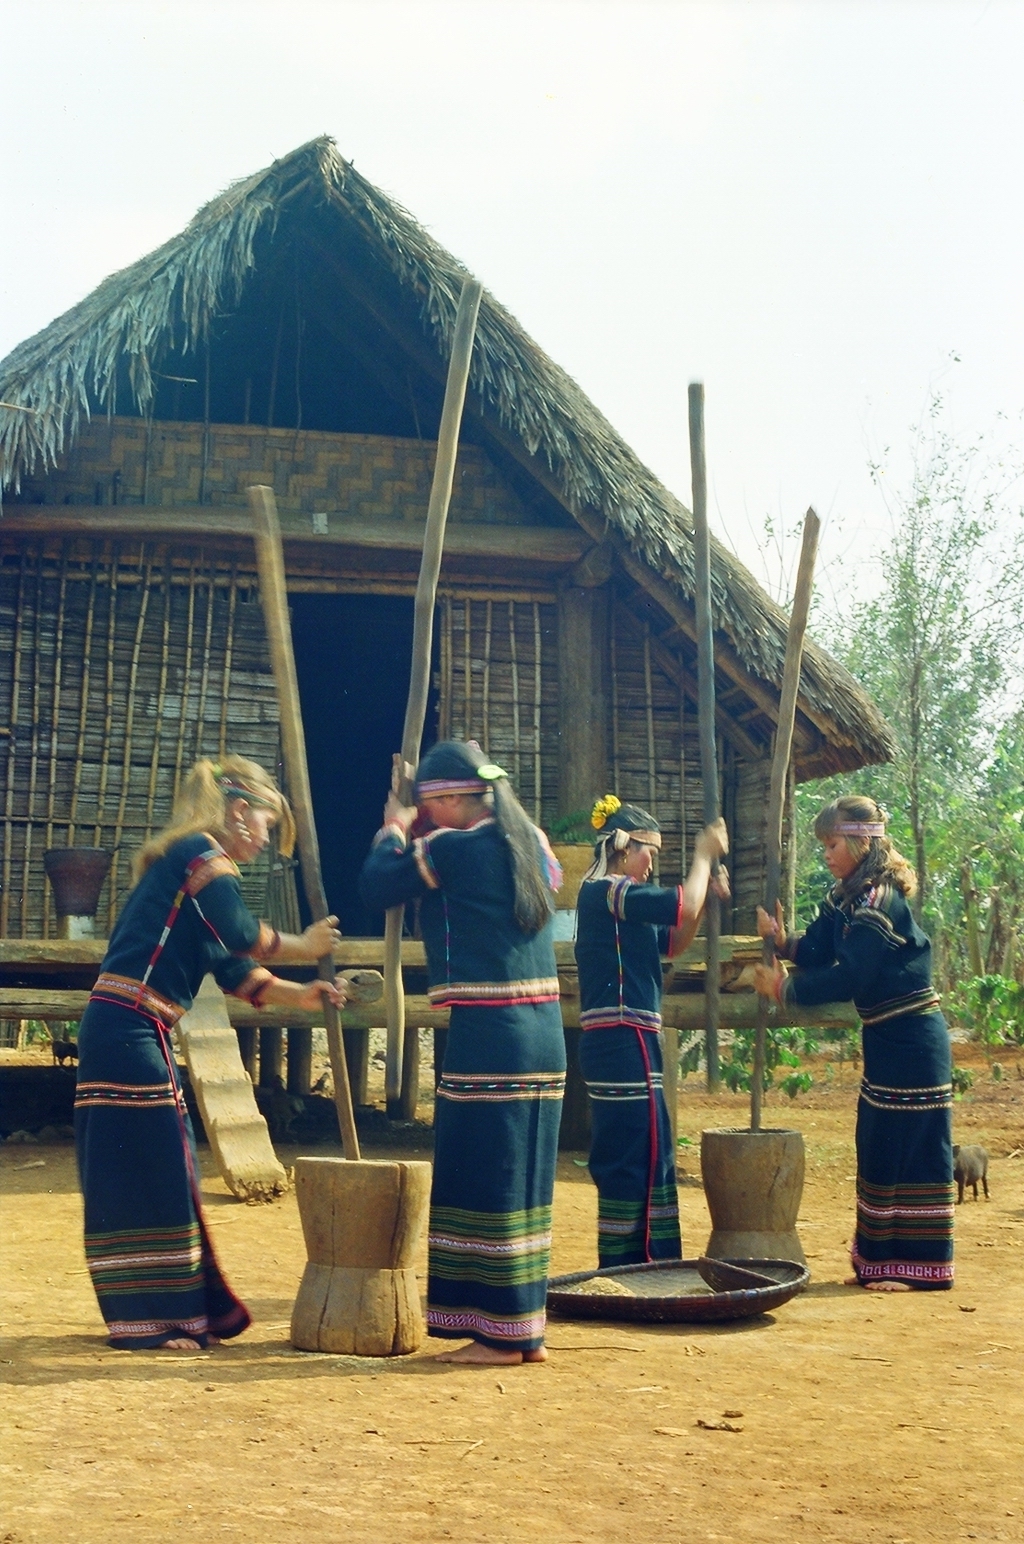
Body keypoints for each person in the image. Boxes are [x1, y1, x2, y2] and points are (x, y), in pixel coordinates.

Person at [74, 755, 348, 1350]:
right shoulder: (202, 856)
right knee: (154, 1169)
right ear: (240, 810)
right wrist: (307, 943)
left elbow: (235, 969)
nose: (267, 838)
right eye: (268, 825)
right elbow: (245, 934)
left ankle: (169, 1313)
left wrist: (305, 996)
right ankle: (157, 1320)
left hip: (130, 1028)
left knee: (156, 1167)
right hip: (127, 1026)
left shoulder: (190, 869)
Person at [359, 741, 564, 1365]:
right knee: (520, 1175)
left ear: (454, 800)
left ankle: (498, 1336)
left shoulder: (455, 848)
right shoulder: (531, 841)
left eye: (436, 803)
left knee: (483, 1173)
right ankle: (520, 1328)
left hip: (491, 1031)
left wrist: (392, 828)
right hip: (542, 1031)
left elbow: (378, 885)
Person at [752, 793, 954, 1292]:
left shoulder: (881, 899)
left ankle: (917, 1268)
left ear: (862, 843)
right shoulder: (848, 897)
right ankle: (882, 1262)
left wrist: (785, 988)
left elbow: (852, 977)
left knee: (911, 1148)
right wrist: (782, 941)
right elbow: (818, 948)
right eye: (824, 844)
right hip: (888, 1040)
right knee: (879, 1142)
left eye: (833, 843)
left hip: (913, 1041)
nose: (826, 853)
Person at [574, 796, 729, 1267]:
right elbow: (682, 902)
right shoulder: (608, 891)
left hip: (626, 1038)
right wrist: (702, 857)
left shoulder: (620, 902)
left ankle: (640, 1259)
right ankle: (636, 1261)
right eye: (649, 852)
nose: (651, 863)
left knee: (646, 1143)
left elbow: (677, 940)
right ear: (623, 848)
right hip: (622, 1036)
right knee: (635, 1149)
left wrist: (704, 903)